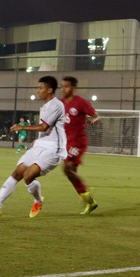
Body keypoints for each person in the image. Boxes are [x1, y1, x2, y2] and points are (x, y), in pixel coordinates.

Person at [0, 76, 67, 218]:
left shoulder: (56, 105)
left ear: (50, 90)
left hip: (55, 149)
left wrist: (22, 127)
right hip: (42, 145)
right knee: (18, 171)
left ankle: (38, 200)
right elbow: (48, 130)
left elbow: (44, 126)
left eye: (41, 88)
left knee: (28, 176)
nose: (38, 90)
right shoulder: (46, 106)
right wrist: (38, 142)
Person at [60, 76, 100, 215]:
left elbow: (96, 115)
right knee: (72, 174)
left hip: (78, 141)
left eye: (66, 86)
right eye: (62, 86)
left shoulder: (81, 102)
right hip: (66, 142)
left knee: (67, 169)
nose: (63, 89)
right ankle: (90, 201)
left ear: (73, 88)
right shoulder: (60, 103)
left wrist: (94, 119)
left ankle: (87, 191)